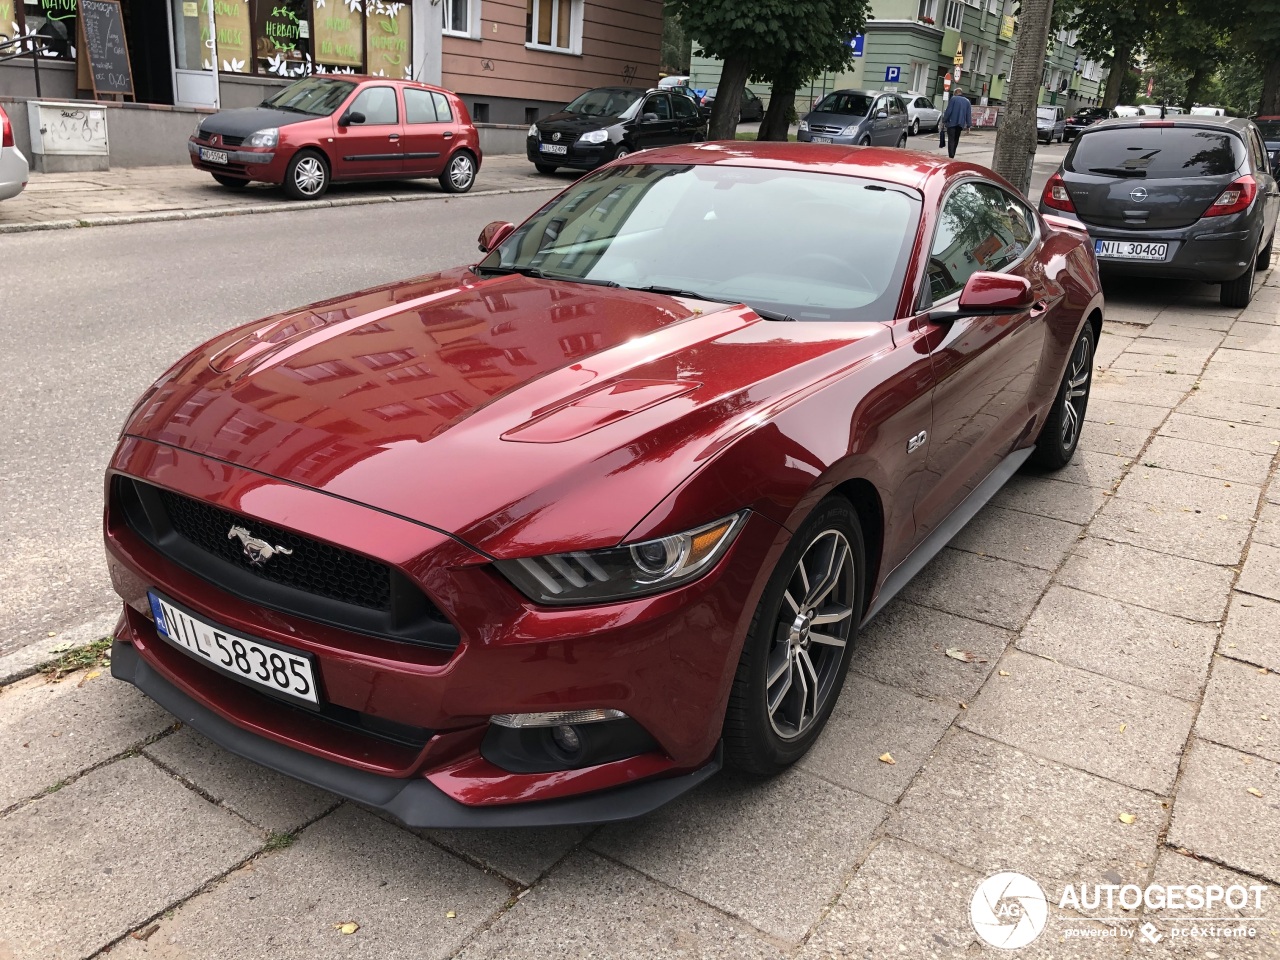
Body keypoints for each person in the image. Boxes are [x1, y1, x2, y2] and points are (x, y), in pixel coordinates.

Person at [941, 87, 972, 159]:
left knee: (951, 139)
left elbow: (948, 111)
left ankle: (951, 155)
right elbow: (968, 114)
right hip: (960, 124)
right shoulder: (967, 101)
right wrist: (968, 126)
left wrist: (944, 120)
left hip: (951, 123)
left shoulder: (953, 99)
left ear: (955, 93)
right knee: (956, 139)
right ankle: (953, 153)